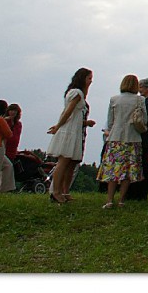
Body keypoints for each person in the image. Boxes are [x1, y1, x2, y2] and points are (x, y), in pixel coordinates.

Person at [96, 74, 148, 209]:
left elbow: (110, 121)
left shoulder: (114, 100)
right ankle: (121, 200)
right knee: (128, 172)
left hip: (115, 138)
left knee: (113, 171)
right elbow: (144, 120)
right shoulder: (140, 100)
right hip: (133, 138)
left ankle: (109, 200)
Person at [47, 67, 93, 204]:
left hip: (73, 128)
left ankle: (61, 191)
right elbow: (68, 112)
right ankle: (55, 191)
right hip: (69, 130)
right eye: (89, 78)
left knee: (68, 163)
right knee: (63, 162)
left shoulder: (76, 92)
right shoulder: (77, 93)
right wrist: (58, 126)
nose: (91, 81)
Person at [127, 77, 148, 201]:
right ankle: (133, 190)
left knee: (142, 163)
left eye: (141, 87)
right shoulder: (143, 101)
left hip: (146, 137)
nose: (139, 90)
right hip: (139, 136)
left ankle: (141, 192)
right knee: (137, 163)